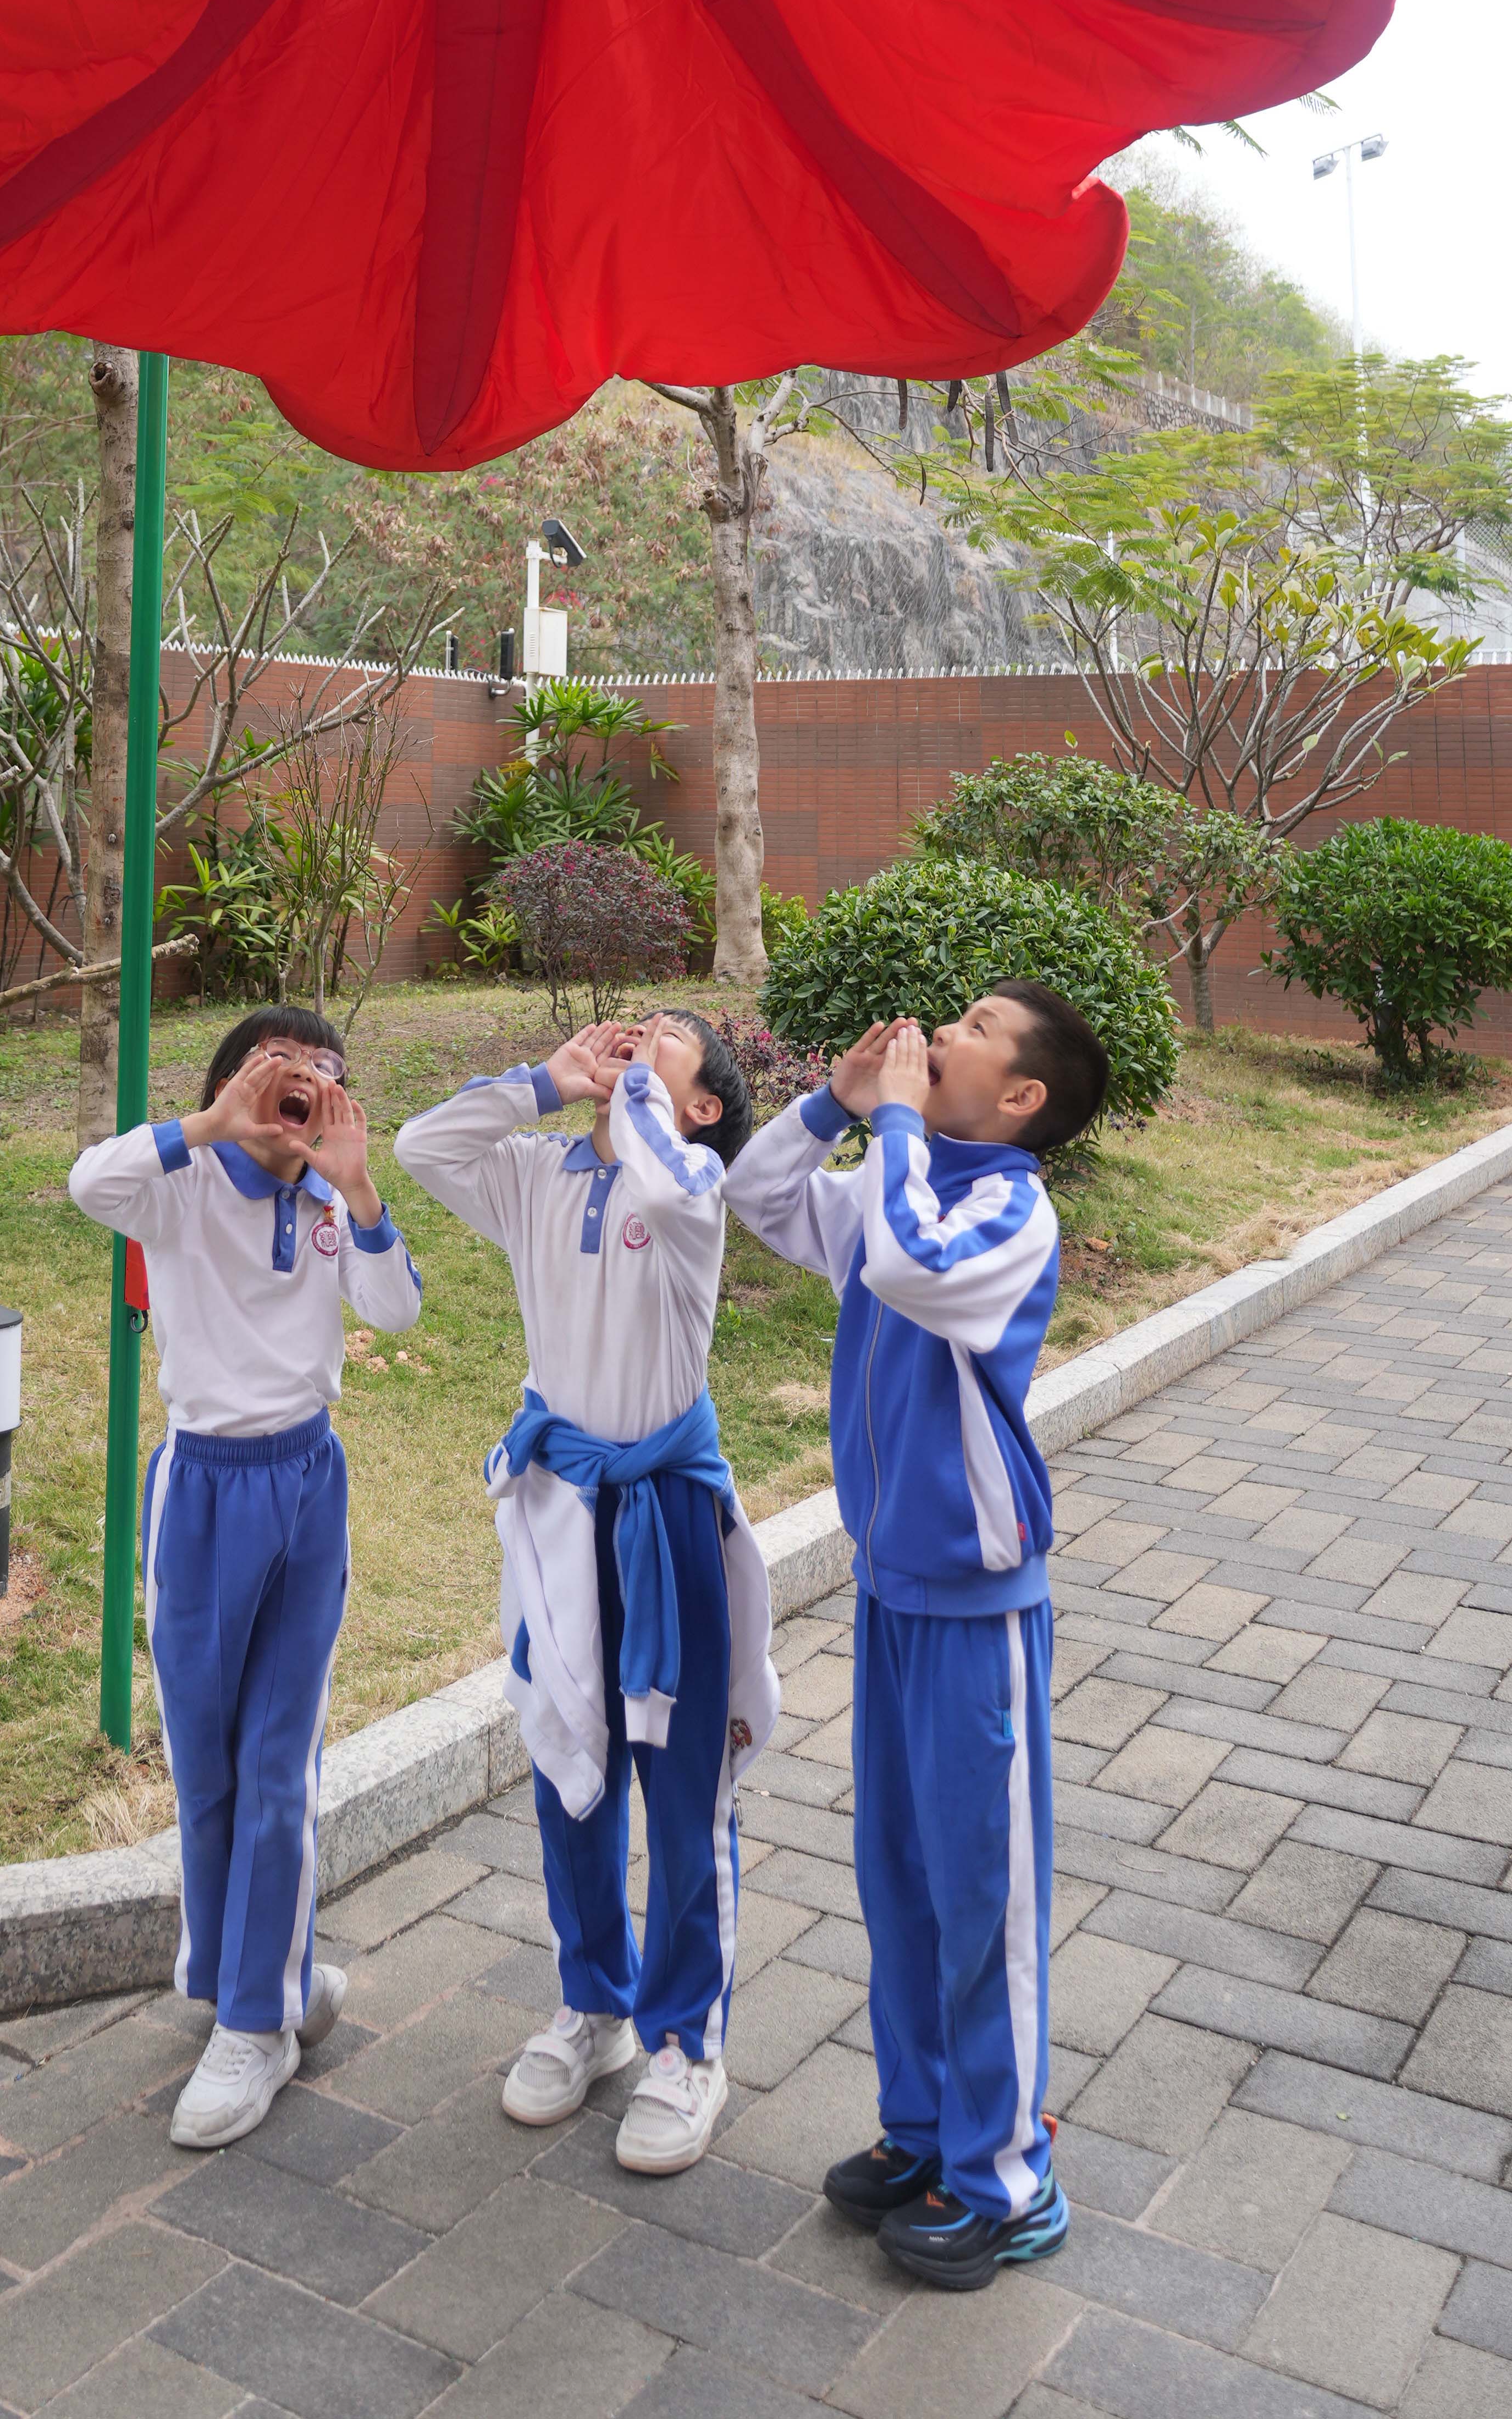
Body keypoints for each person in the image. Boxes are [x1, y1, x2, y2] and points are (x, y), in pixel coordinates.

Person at [724, 980, 1110, 2290]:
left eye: (977, 1027)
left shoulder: (1002, 1205)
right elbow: (762, 1195)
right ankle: (925, 2131)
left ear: (1020, 1098)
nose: (940, 1030)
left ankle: (1007, 2176)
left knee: (980, 1894)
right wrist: (836, 1101)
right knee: (897, 1879)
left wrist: (887, 1128)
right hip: (890, 1587)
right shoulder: (905, 1170)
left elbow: (907, 1260)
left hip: (973, 1609)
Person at [396, 1011, 777, 2175]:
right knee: (569, 1763)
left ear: (701, 1104)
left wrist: (641, 1108)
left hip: (664, 1513)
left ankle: (683, 2042)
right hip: (560, 1509)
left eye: (668, 1040)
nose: (638, 1037)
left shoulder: (691, 1187)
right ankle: (593, 2004)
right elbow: (420, 1146)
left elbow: (663, 1195)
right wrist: (548, 1081)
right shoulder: (538, 1174)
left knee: (678, 1787)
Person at [67, 1002, 422, 2152]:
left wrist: (358, 1189)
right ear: (232, 1087)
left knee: (281, 1758)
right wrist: (206, 1122)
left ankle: (258, 2022)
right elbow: (88, 1182)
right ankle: (251, 1970)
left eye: (321, 1079)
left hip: (304, 1484)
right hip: (202, 1489)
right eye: (278, 1077)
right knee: (206, 1757)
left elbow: (395, 1307)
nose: (298, 1097)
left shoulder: (326, 1203)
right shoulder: (178, 1184)